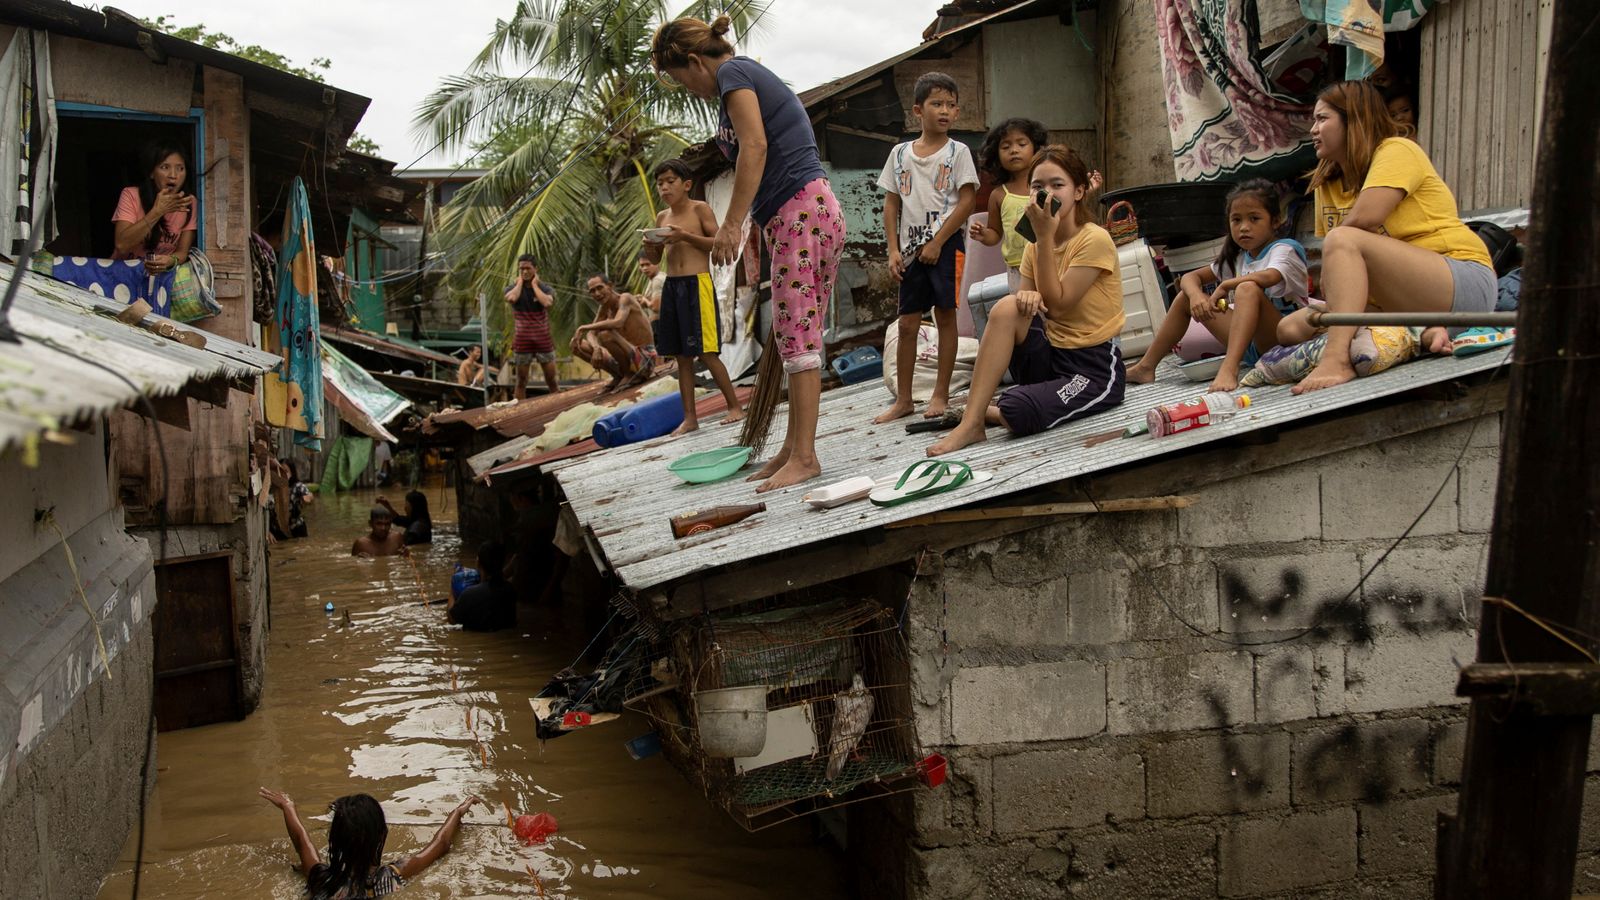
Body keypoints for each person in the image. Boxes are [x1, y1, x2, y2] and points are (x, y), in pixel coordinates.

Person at [652, 15, 846, 491]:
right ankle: (791, 449)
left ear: (695, 61)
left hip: (801, 211)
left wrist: (733, 223)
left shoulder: (733, 75)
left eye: (682, 79)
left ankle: (805, 456)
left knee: (797, 338)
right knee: (793, 334)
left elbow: (754, 147)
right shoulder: (738, 80)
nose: (689, 89)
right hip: (803, 212)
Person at [1288, 80, 1496, 393]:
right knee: (1288, 328)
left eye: (1322, 119)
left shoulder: (1396, 150)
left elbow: (1364, 221)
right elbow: (1335, 276)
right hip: (1399, 299)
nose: (1313, 130)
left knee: (1343, 240)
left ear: (1354, 119)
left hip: (1459, 280)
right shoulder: (1327, 182)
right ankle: (1425, 332)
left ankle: (1337, 359)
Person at [926, 145, 1126, 457]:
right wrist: (1027, 292)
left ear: (1079, 192)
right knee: (1007, 307)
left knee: (1017, 409)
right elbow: (1032, 303)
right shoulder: (1034, 246)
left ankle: (989, 408)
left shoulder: (1093, 239)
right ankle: (972, 421)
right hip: (1050, 355)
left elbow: (1057, 307)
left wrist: (1045, 237)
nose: (1047, 194)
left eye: (1057, 185)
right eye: (1037, 187)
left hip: (1091, 369)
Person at [1125, 179, 1309, 393]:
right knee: (1185, 297)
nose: (1244, 227)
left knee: (1247, 288)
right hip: (1251, 347)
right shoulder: (1238, 257)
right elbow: (1190, 277)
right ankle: (1146, 367)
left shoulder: (1285, 249)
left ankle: (1229, 369)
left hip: (1284, 341)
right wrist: (1196, 296)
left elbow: (1270, 276)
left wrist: (1227, 285)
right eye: (1236, 220)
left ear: (1275, 221)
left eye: (1254, 219)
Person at [872, 72, 978, 425]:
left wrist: (938, 242)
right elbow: (891, 205)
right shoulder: (899, 154)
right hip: (910, 251)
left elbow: (966, 201)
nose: (944, 111)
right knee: (906, 325)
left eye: (950, 105)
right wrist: (892, 250)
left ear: (957, 111)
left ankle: (940, 394)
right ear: (919, 110)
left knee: (945, 317)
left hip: (946, 249)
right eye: (936, 104)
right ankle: (903, 399)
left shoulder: (958, 152)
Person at [643, 158, 746, 435]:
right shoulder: (662, 218)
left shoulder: (700, 209)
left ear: (686, 184)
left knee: (706, 351)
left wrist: (685, 237)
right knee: (681, 356)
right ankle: (690, 418)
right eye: (660, 183)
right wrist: (650, 245)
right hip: (673, 287)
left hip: (697, 284)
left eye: (670, 181)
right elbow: (655, 257)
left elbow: (717, 242)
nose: (664, 187)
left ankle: (734, 406)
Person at [258, 788, 479, 899]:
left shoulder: (321, 878)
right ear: (381, 836)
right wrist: (458, 811)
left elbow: (301, 841)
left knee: (299, 870)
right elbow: (441, 843)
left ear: (334, 840)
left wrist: (288, 807)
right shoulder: (390, 876)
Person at [969, 118, 1049, 291]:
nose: (1014, 150)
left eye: (1021, 144)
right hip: (1017, 268)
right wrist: (983, 234)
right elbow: (995, 234)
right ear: (996, 155)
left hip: (1051, 260)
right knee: (1024, 312)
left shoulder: (1048, 187)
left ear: (1035, 148)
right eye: (1006, 147)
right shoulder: (998, 195)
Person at [112, 142, 196, 274]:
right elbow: (121, 245)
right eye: (165, 167)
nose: (173, 175)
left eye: (180, 168)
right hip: (123, 276)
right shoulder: (132, 195)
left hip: (161, 278)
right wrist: (157, 212)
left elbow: (182, 252)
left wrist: (171, 260)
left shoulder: (189, 203)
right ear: (151, 173)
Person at [571, 274, 657, 391]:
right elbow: (591, 334)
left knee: (605, 334)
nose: (597, 293)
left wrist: (582, 327)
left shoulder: (625, 298)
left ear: (610, 286)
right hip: (627, 359)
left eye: (599, 288)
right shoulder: (604, 308)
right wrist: (596, 348)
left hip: (645, 360)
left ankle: (630, 374)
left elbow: (618, 322)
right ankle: (618, 375)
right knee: (577, 344)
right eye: (592, 291)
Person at [504, 254, 560, 400]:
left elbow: (547, 303)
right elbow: (511, 298)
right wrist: (519, 284)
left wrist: (534, 285)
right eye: (521, 269)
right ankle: (520, 410)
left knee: (551, 380)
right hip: (523, 342)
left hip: (543, 340)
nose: (524, 272)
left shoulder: (545, 288)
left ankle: (557, 408)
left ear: (535, 269)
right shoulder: (513, 288)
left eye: (528, 268)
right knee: (521, 381)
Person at [448, 541, 516, 632]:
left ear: (478, 562)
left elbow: (452, 619)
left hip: (474, 642)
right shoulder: (510, 589)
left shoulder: (469, 594)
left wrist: (452, 589)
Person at [638, 252, 667, 320]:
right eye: (642, 265)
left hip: (661, 323)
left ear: (657, 264)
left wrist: (644, 300)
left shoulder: (657, 280)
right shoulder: (654, 279)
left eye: (648, 264)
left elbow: (656, 307)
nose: (645, 268)